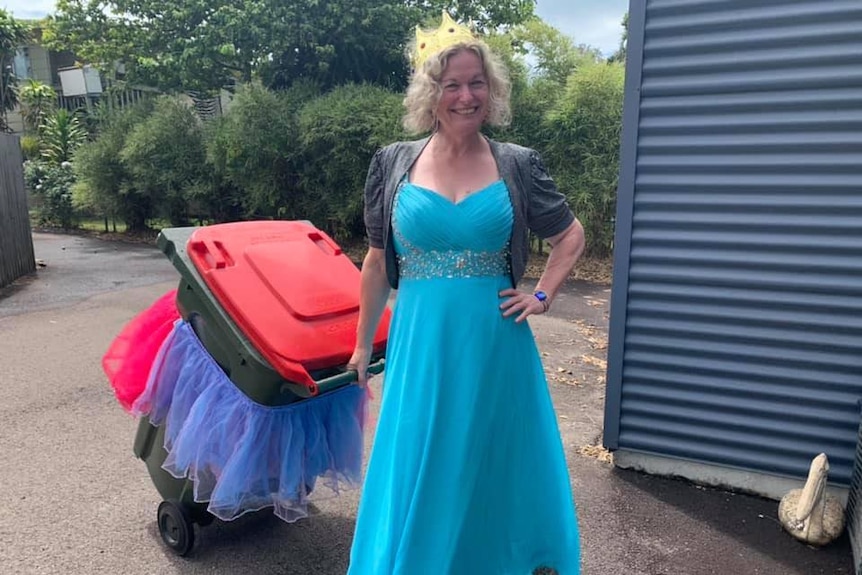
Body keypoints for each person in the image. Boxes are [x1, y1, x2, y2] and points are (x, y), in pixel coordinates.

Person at [346, 13, 585, 575]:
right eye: (451, 84)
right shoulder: (393, 163)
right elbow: (378, 261)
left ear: (492, 91)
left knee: (485, 455)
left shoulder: (517, 164)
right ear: (431, 94)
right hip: (421, 340)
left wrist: (542, 296)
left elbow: (570, 236)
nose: (465, 95)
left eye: (477, 82)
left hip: (493, 340)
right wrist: (362, 345)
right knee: (422, 455)